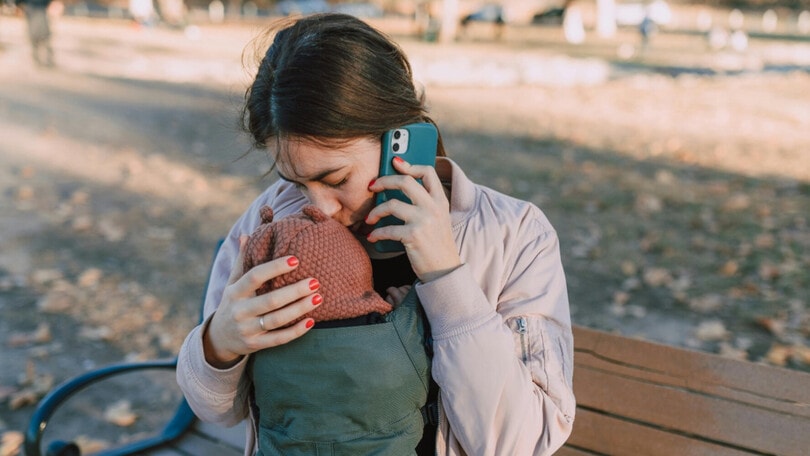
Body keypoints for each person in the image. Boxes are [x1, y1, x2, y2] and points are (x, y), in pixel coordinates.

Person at [177, 12, 575, 456]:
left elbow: (522, 442)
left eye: (335, 179)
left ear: (400, 141)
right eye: (297, 183)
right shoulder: (270, 221)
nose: (319, 207)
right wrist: (219, 345)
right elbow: (218, 411)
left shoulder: (514, 235)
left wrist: (446, 277)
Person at [15, 0, 53, 66]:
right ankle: (42, 60)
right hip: (36, 12)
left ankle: (44, 60)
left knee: (42, 39)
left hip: (36, 12)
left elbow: (18, 2)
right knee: (40, 39)